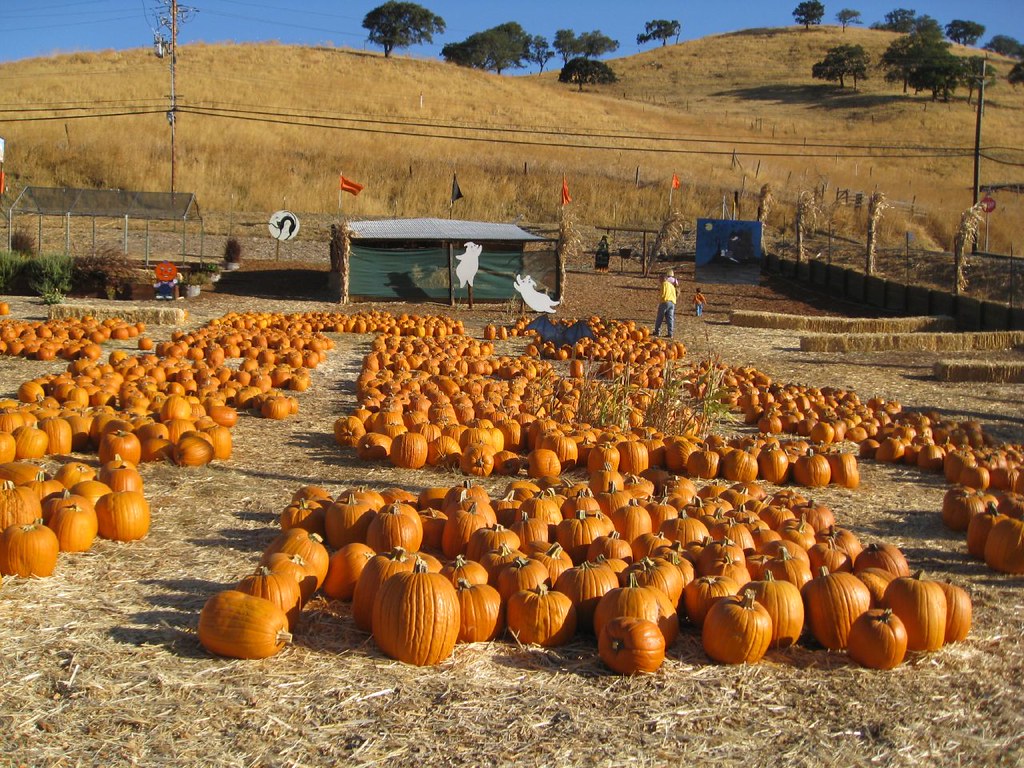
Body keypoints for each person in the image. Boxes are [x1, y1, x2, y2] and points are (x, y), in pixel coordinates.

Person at [654, 268, 678, 338]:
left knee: (660, 317)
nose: (659, 281)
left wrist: (660, 301)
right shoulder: (672, 286)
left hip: (665, 302)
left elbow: (663, 294)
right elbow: (675, 294)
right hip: (672, 303)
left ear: (663, 279)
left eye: (659, 279)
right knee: (670, 318)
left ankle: (657, 331)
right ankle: (670, 333)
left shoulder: (664, 284)